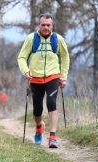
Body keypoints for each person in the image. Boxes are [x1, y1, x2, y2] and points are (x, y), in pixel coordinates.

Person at [17, 13, 69, 148]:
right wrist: (25, 71)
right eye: (43, 25)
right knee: (37, 109)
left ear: (52, 26)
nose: (46, 27)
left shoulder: (58, 39)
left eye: (48, 25)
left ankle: (52, 137)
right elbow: (22, 57)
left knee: (51, 103)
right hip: (35, 78)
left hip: (53, 76)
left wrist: (63, 77)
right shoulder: (31, 38)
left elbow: (65, 58)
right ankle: (39, 127)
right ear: (38, 25)